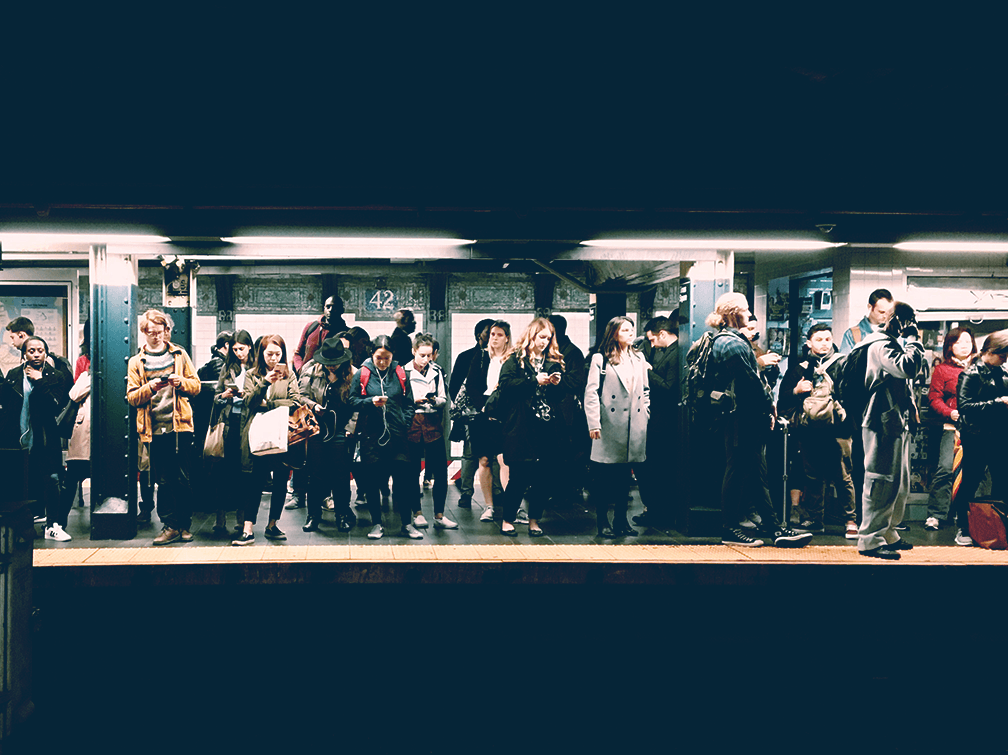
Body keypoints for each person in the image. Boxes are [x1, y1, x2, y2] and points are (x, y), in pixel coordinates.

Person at [706, 293, 813, 548]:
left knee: (754, 473)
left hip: (740, 418)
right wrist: (770, 406)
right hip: (743, 419)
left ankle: (773, 528)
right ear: (734, 313)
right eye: (745, 309)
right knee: (744, 472)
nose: (748, 313)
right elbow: (751, 384)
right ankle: (737, 528)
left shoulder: (727, 341)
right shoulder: (732, 344)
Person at [125, 309, 201, 546]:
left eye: (160, 332)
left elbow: (196, 386)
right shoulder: (136, 362)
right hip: (154, 428)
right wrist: (152, 387)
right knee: (164, 481)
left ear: (167, 331)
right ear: (144, 333)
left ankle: (184, 525)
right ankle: (170, 525)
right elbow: (132, 397)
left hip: (181, 427)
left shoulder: (179, 354)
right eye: (151, 332)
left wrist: (182, 383)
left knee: (184, 479)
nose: (156, 336)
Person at [855, 301, 924, 559]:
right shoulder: (879, 344)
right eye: (908, 321)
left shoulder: (888, 342)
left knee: (899, 482)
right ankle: (870, 539)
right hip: (879, 419)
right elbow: (908, 368)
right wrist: (913, 339)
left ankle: (888, 531)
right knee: (880, 480)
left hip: (894, 419)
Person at [777, 324, 858, 538]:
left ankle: (851, 520)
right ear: (809, 343)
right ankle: (815, 518)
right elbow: (783, 396)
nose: (824, 343)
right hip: (810, 430)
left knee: (843, 475)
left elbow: (852, 395)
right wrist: (796, 390)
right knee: (813, 476)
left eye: (827, 339)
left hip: (837, 429)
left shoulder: (843, 364)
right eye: (819, 339)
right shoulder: (800, 368)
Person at [497, 318, 572, 537]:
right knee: (518, 476)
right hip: (521, 426)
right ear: (532, 336)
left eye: (548, 339)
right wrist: (533, 380)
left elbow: (560, 396)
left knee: (543, 477)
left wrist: (557, 383)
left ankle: (534, 521)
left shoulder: (552, 361)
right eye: (541, 337)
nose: (545, 342)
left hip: (547, 427)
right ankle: (508, 519)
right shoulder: (515, 359)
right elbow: (506, 385)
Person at [0, 336, 72, 539]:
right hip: (17, 437)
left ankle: (53, 525)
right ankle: (21, 525)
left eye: (40, 350)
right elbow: (6, 403)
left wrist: (40, 382)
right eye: (31, 350)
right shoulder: (14, 374)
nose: (36, 354)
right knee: (19, 482)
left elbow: (55, 405)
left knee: (51, 479)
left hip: (44, 438)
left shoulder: (55, 376)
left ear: (46, 353)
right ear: (24, 354)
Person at [233, 335, 302, 545]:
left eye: (277, 354)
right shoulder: (252, 375)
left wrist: (269, 404)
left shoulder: (289, 375)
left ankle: (272, 525)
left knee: (281, 480)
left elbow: (295, 401)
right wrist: (264, 383)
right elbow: (249, 402)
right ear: (261, 354)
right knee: (254, 481)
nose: (273, 358)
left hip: (281, 433)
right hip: (258, 433)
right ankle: (248, 529)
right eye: (269, 354)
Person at [584, 316, 650, 538]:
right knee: (604, 478)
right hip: (609, 425)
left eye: (632, 329)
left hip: (634, 425)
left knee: (624, 479)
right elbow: (591, 393)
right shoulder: (600, 359)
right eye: (624, 330)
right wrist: (594, 422)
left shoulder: (639, 358)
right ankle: (602, 523)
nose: (630, 333)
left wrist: (645, 414)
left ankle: (621, 521)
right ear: (613, 333)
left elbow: (645, 391)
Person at [349, 335, 418, 539]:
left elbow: (409, 403)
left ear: (392, 356)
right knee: (372, 483)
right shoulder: (362, 374)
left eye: (386, 358)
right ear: (372, 355)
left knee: (403, 482)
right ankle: (377, 524)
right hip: (371, 436)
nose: (382, 362)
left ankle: (407, 523)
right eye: (379, 357)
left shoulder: (400, 373)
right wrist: (370, 402)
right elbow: (352, 401)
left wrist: (405, 422)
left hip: (398, 437)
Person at [950, 329, 1008, 546]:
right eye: (1002, 355)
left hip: (999, 437)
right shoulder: (971, 374)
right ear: (990, 351)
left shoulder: (1002, 373)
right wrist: (998, 403)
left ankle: (997, 526)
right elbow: (964, 407)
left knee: (1002, 483)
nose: (1004, 359)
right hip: (976, 437)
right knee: (970, 482)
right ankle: (964, 527)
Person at [299, 336, 356, 532]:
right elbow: (300, 396)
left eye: (336, 363)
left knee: (341, 476)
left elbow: (357, 405)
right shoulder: (311, 372)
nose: (332, 367)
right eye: (328, 363)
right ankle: (313, 516)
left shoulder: (352, 374)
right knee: (315, 476)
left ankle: (342, 514)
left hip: (341, 430)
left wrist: (350, 429)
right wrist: (314, 406)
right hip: (316, 429)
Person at [924, 328, 976, 531]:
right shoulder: (942, 370)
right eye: (960, 342)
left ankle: (970, 513)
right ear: (950, 346)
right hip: (951, 427)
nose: (965, 345)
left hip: (978, 428)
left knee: (974, 472)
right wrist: (949, 412)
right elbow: (934, 398)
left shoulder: (980, 367)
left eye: (968, 341)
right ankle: (936, 514)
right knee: (944, 469)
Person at [405, 333, 455, 529]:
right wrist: (414, 401)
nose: (427, 359)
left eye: (429, 355)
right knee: (412, 471)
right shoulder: (404, 371)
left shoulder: (437, 371)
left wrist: (435, 400)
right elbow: (399, 400)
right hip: (413, 422)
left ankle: (440, 515)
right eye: (422, 355)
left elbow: (444, 399)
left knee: (440, 471)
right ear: (413, 352)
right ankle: (416, 513)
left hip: (433, 421)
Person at [464, 320, 511, 523]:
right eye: (492, 334)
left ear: (507, 338)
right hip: (483, 414)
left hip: (505, 414)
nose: (494, 338)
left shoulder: (513, 359)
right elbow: (472, 385)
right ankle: (489, 506)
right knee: (484, 460)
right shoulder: (481, 357)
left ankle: (512, 506)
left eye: (499, 334)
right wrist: (483, 407)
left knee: (505, 461)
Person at [635, 315, 678, 528]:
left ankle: (660, 512)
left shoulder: (675, 353)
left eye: (652, 339)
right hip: (660, 418)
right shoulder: (665, 352)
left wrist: (648, 372)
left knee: (659, 467)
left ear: (662, 334)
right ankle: (656, 510)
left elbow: (670, 388)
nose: (651, 344)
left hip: (666, 419)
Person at [211, 330, 255, 536]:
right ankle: (220, 517)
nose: (238, 353)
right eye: (235, 349)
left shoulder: (257, 368)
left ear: (250, 348)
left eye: (242, 349)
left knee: (244, 473)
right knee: (223, 472)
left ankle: (241, 517)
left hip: (249, 423)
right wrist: (225, 395)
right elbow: (216, 396)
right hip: (230, 422)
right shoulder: (228, 367)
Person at [449, 319, 494, 507]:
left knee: (490, 453)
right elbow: (454, 386)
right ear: (478, 335)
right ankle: (466, 492)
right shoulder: (467, 357)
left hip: (490, 412)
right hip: (473, 413)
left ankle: (489, 491)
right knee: (470, 453)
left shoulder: (500, 358)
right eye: (488, 333)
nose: (491, 337)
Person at [60, 362, 92, 522]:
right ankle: (60, 521)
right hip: (83, 436)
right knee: (72, 478)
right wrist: (91, 376)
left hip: (99, 439)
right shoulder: (86, 377)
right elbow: (74, 394)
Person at [293, 295, 346, 373]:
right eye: (328, 307)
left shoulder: (344, 334)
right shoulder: (311, 327)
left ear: (342, 310)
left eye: (335, 307)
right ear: (324, 308)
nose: (330, 310)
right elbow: (298, 353)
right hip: (306, 378)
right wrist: (300, 369)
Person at [840, 288, 894, 355]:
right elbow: (844, 363)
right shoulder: (853, 334)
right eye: (882, 312)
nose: (886, 316)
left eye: (889, 313)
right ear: (870, 307)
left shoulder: (897, 333)